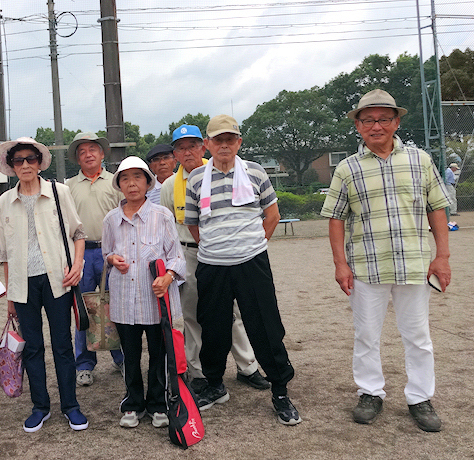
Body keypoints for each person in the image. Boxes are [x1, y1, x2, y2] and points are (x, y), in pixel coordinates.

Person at [321, 89, 452, 432]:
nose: (375, 126)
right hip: (366, 265)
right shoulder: (347, 168)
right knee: (366, 335)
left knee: (418, 336)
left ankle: (420, 397)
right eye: (367, 120)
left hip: (414, 263)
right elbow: (335, 218)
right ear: (358, 126)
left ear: (396, 122)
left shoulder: (420, 160)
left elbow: (437, 208)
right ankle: (370, 392)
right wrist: (340, 263)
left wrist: (442, 256)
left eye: (383, 119)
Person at [185, 114, 301, 425]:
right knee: (213, 327)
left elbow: (272, 215)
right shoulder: (196, 179)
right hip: (212, 264)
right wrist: (218, 246)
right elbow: (194, 224)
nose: (224, 145)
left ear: (239, 142)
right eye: (217, 140)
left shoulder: (255, 172)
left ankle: (280, 390)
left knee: (265, 325)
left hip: (252, 262)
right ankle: (214, 384)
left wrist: (252, 245)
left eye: (230, 139)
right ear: (207, 144)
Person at [161, 124, 270, 394]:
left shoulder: (223, 171)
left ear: (204, 147)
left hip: (223, 253)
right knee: (193, 314)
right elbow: (167, 225)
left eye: (193, 146)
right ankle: (199, 372)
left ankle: (247, 366)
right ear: (175, 155)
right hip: (189, 252)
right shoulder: (169, 186)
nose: (188, 152)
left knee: (235, 312)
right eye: (181, 148)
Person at [0, 137, 89, 433]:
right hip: (23, 285)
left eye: (30, 159)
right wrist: (10, 295)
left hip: (57, 280)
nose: (25, 165)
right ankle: (40, 406)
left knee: (62, 344)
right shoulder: (4, 201)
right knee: (32, 347)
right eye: (18, 160)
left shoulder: (59, 192)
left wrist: (77, 265)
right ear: (11, 166)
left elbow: (78, 233)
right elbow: (6, 254)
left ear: (39, 163)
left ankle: (70, 405)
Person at [102, 156, 186, 429]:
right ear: (119, 185)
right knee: (130, 354)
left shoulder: (162, 216)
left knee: (159, 354)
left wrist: (168, 276)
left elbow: (177, 256)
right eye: (125, 178)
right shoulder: (111, 219)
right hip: (124, 299)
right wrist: (112, 259)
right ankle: (133, 403)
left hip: (155, 300)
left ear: (148, 183)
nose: (132, 184)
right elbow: (106, 252)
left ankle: (158, 403)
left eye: (137, 177)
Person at [65, 132, 125, 386]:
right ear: (77, 158)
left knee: (116, 306)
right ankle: (84, 364)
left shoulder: (116, 182)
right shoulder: (68, 186)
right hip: (82, 254)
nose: (88, 154)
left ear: (102, 154)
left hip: (111, 252)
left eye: (93, 149)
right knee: (83, 310)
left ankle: (121, 358)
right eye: (82, 151)